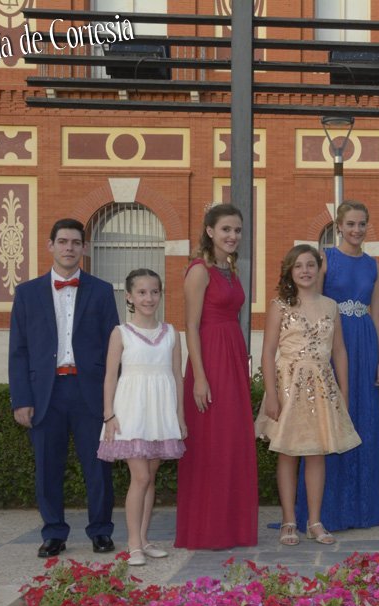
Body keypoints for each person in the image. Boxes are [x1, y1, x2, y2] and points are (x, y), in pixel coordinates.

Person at [9, 218, 120, 559]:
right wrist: (21, 399)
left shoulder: (102, 291)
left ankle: (101, 531)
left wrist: (113, 399)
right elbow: (19, 350)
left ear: (84, 248)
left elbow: (114, 347)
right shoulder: (26, 293)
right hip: (46, 392)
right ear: (51, 246)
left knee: (98, 466)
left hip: (90, 392)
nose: (69, 248)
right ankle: (54, 532)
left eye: (75, 242)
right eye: (63, 241)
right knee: (47, 467)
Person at [256, 245, 361, 545]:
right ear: (290, 271)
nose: (305, 271)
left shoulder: (331, 306)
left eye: (310, 265)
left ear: (319, 269)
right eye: (298, 266)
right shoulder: (280, 305)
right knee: (288, 454)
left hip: (322, 387)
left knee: (316, 454)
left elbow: (339, 352)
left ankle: (314, 521)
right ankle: (289, 520)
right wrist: (271, 394)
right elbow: (267, 352)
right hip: (288, 387)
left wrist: (343, 393)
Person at [292, 201, 379, 532]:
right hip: (332, 346)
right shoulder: (326, 259)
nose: (357, 230)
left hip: (365, 345)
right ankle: (324, 511)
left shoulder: (374, 265)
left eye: (362, 224)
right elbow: (311, 304)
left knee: (362, 422)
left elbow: (377, 313)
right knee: (327, 424)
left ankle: (361, 510)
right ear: (339, 227)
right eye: (351, 224)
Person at [176, 203, 258, 550]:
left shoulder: (230, 268)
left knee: (232, 442)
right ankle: (207, 530)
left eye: (237, 230)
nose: (232, 236)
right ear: (210, 231)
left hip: (232, 357)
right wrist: (199, 377)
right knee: (212, 443)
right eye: (226, 229)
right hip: (209, 359)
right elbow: (191, 325)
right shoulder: (200, 270)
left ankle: (232, 528)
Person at [97, 269, 186, 565]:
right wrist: (109, 415)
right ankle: (133, 544)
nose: (149, 298)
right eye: (142, 292)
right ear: (129, 296)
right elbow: (110, 376)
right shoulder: (120, 333)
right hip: (131, 413)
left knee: (150, 477)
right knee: (141, 476)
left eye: (154, 292)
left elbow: (177, 376)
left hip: (160, 414)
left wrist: (180, 417)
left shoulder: (171, 334)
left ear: (161, 294)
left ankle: (144, 540)